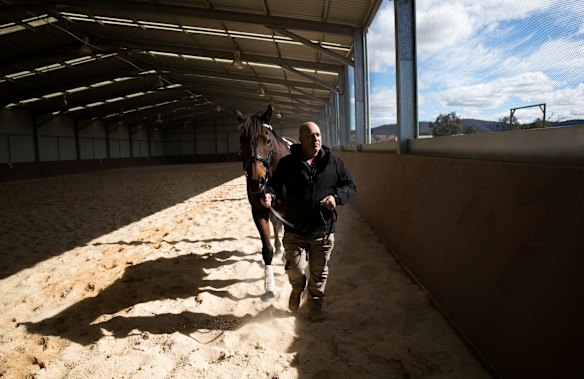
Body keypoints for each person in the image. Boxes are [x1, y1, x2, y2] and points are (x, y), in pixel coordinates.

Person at [260, 121, 356, 322]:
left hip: (323, 229)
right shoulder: (287, 163)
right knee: (294, 268)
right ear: (301, 140)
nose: (316, 139)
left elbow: (350, 187)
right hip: (295, 229)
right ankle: (297, 288)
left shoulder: (333, 162)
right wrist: (268, 194)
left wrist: (336, 198)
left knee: (319, 273)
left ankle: (315, 307)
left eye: (318, 135)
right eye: (311, 136)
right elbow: (274, 185)